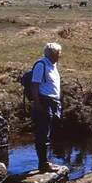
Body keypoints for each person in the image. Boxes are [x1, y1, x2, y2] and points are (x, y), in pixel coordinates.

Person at [30, 42, 62, 172]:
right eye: (59, 54)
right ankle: (43, 164)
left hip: (53, 102)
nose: (60, 56)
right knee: (43, 134)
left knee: (48, 132)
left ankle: (46, 162)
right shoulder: (41, 65)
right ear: (52, 54)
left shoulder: (53, 66)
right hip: (44, 101)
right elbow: (34, 86)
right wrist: (38, 104)